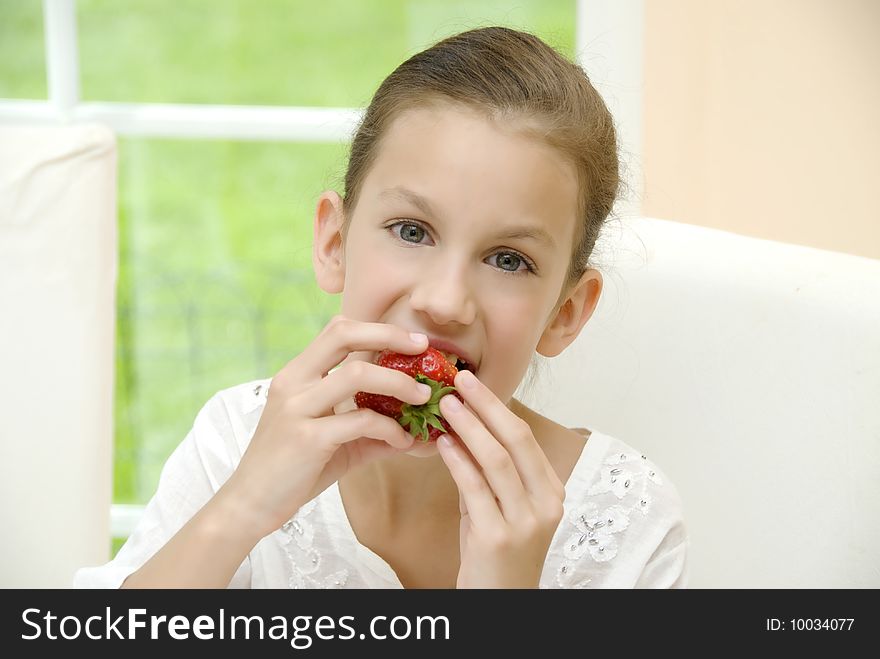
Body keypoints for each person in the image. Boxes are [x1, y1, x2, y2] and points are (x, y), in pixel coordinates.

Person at [75, 26, 688, 589]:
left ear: (565, 313)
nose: (445, 302)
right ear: (334, 243)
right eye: (412, 231)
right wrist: (240, 509)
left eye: (508, 259)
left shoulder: (625, 524)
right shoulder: (237, 442)